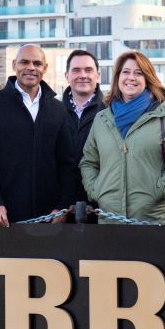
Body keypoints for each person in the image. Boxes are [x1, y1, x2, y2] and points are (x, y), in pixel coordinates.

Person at [0, 44, 78, 226]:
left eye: (37, 63)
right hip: (3, 217)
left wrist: (62, 206)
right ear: (14, 65)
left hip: (49, 218)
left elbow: (67, 164)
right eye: (24, 62)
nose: (31, 67)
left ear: (45, 68)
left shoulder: (58, 110)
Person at [80, 51, 165, 225]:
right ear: (117, 77)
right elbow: (88, 162)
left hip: (156, 219)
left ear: (147, 79)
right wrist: (96, 190)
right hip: (111, 220)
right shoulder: (102, 119)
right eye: (126, 72)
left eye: (138, 73)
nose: (131, 78)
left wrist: (161, 189)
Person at [62, 49, 105, 212]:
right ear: (67, 75)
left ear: (98, 75)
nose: (83, 75)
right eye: (76, 70)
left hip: (102, 207)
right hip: (62, 209)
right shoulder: (53, 112)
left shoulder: (112, 111)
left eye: (88, 70)